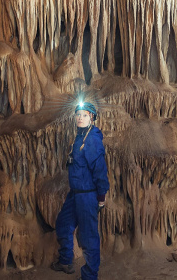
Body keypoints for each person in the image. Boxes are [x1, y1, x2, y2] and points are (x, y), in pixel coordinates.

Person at [51, 100, 110, 279]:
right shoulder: (79, 137)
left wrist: (101, 196)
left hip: (87, 195)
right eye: (78, 115)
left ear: (91, 117)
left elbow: (100, 170)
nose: (80, 118)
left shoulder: (92, 139)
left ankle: (90, 276)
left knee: (88, 237)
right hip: (75, 194)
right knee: (63, 224)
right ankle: (66, 261)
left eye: (84, 115)